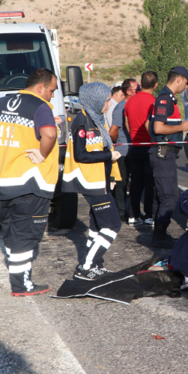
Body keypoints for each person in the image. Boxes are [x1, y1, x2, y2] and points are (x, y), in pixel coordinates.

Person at [0, 68, 59, 297]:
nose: (52, 96)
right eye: (52, 90)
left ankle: (18, 277)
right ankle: (21, 285)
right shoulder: (40, 106)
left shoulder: (1, 103)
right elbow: (49, 134)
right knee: (26, 235)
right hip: (27, 182)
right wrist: (43, 154)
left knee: (11, 233)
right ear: (40, 87)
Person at [63, 82, 123, 281]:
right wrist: (109, 156)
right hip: (91, 182)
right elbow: (81, 155)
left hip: (100, 180)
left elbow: (102, 147)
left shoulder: (96, 118)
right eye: (107, 101)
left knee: (97, 225)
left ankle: (95, 265)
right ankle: (86, 267)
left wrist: (111, 176)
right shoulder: (82, 122)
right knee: (112, 225)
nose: (109, 104)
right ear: (95, 100)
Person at [148, 66, 188, 248]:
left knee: (162, 195)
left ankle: (159, 234)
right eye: (186, 83)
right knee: (169, 197)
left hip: (164, 153)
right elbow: (158, 128)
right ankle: (159, 236)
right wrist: (181, 127)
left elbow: (149, 125)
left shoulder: (167, 98)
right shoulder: (164, 99)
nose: (186, 87)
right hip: (163, 153)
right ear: (179, 79)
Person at [125, 71, 156, 225]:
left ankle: (133, 215)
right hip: (149, 145)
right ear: (156, 85)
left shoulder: (130, 101)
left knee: (136, 182)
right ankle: (149, 215)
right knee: (150, 183)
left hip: (135, 145)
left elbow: (127, 123)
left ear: (141, 83)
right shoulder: (154, 102)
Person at [109, 78, 137, 222]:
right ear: (128, 91)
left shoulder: (131, 105)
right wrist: (118, 143)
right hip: (123, 151)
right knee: (121, 183)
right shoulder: (121, 108)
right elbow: (113, 131)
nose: (138, 92)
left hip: (132, 149)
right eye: (136, 90)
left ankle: (131, 212)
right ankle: (120, 212)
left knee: (133, 183)